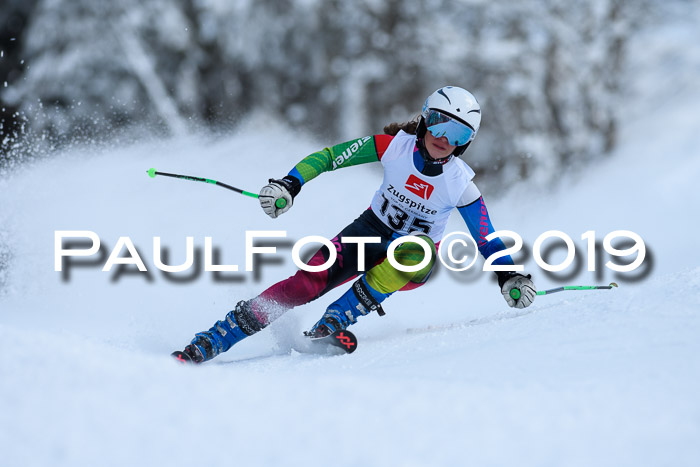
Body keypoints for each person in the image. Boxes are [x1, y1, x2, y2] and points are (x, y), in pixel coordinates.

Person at [172, 85, 536, 363]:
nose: (444, 139)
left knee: (415, 247)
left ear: (466, 144)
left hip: (412, 260)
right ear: (425, 119)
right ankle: (215, 339)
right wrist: (289, 184)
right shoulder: (392, 146)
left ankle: (337, 318)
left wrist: (510, 276)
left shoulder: (460, 184)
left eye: (458, 135)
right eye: (440, 125)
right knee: (303, 284)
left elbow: (486, 238)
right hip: (367, 231)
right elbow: (330, 157)